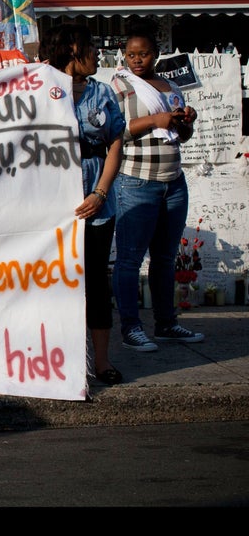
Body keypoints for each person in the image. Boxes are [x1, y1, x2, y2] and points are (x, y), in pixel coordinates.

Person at [41, 24, 126, 385]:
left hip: (95, 203)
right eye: (91, 46)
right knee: (55, 283)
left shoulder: (102, 93)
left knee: (95, 282)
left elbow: (116, 142)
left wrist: (100, 192)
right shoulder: (40, 90)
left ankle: (102, 362)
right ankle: (59, 360)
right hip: (51, 205)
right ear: (72, 49)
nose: (96, 53)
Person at [110, 25, 204, 352]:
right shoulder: (121, 85)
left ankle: (166, 324)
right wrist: (155, 120)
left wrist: (185, 120)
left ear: (156, 54)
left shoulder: (170, 85)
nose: (137, 60)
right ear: (124, 55)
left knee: (165, 258)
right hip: (137, 181)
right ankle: (131, 329)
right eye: (131, 54)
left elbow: (183, 136)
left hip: (173, 182)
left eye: (144, 54)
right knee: (129, 260)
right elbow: (116, 131)